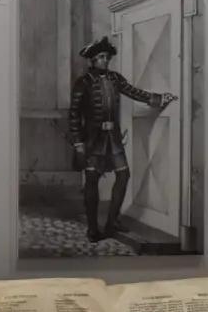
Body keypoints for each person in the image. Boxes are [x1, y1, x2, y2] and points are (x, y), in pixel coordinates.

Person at [67, 37, 177, 241]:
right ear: (92, 60)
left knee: (123, 176)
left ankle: (112, 222)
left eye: (107, 57)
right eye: (101, 57)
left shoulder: (115, 78)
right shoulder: (83, 82)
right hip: (92, 140)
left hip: (113, 138)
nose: (105, 60)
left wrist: (159, 98)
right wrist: (78, 142)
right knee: (92, 180)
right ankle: (92, 228)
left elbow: (134, 92)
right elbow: (73, 114)